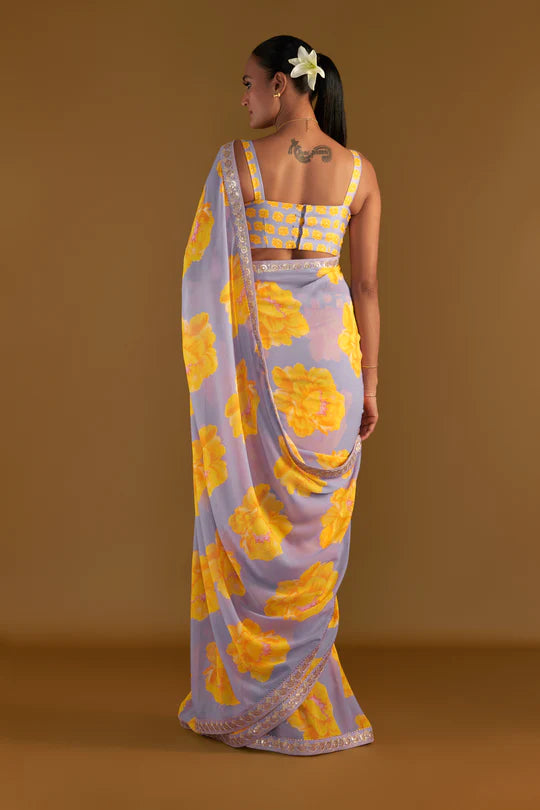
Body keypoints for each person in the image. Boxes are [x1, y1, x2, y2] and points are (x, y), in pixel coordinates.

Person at [178, 34, 381, 756]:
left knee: (254, 517)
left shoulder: (234, 164)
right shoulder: (359, 173)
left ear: (285, 85)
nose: (243, 98)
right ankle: (301, 698)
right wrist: (372, 384)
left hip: (256, 368)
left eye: (249, 83)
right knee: (310, 533)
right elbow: (365, 288)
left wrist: (217, 376)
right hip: (332, 369)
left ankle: (249, 695)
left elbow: (204, 278)